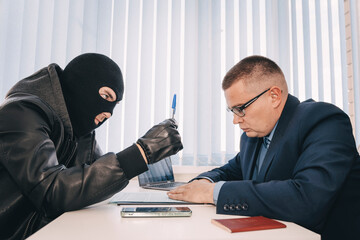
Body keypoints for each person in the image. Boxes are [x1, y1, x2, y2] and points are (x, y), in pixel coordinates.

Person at [168, 55, 360, 240]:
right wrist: (202, 182)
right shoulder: (252, 137)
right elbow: (231, 171)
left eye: (241, 108)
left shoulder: (323, 120)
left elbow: (307, 198)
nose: (235, 120)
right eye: (232, 111)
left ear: (274, 96)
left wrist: (211, 193)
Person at [0, 53, 183, 240]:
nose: (110, 114)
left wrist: (147, 150)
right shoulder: (22, 113)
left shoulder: (78, 128)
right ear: (81, 86)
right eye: (106, 95)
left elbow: (93, 178)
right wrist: (144, 151)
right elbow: (52, 191)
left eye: (115, 104)